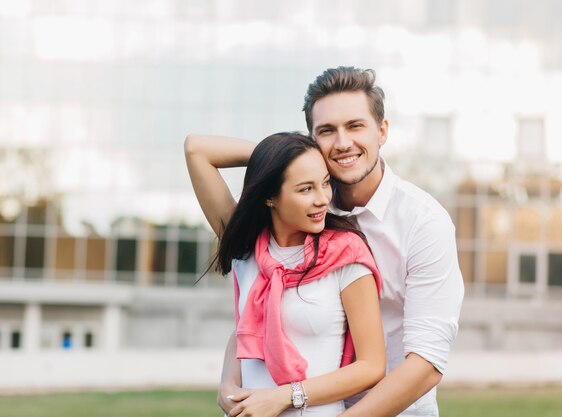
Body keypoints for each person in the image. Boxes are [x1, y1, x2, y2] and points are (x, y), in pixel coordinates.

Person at [206, 66, 464, 417]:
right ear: (312, 140)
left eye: (355, 126)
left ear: (382, 131)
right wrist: (282, 161)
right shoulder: (302, 215)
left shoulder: (424, 222)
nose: (342, 143)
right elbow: (258, 311)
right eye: (327, 131)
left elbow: (426, 362)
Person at [185, 131, 386, 416]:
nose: (322, 199)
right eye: (305, 188)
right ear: (270, 196)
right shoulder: (249, 249)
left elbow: (372, 366)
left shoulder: (346, 255)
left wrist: (286, 396)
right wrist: (228, 380)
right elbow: (197, 149)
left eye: (325, 183)